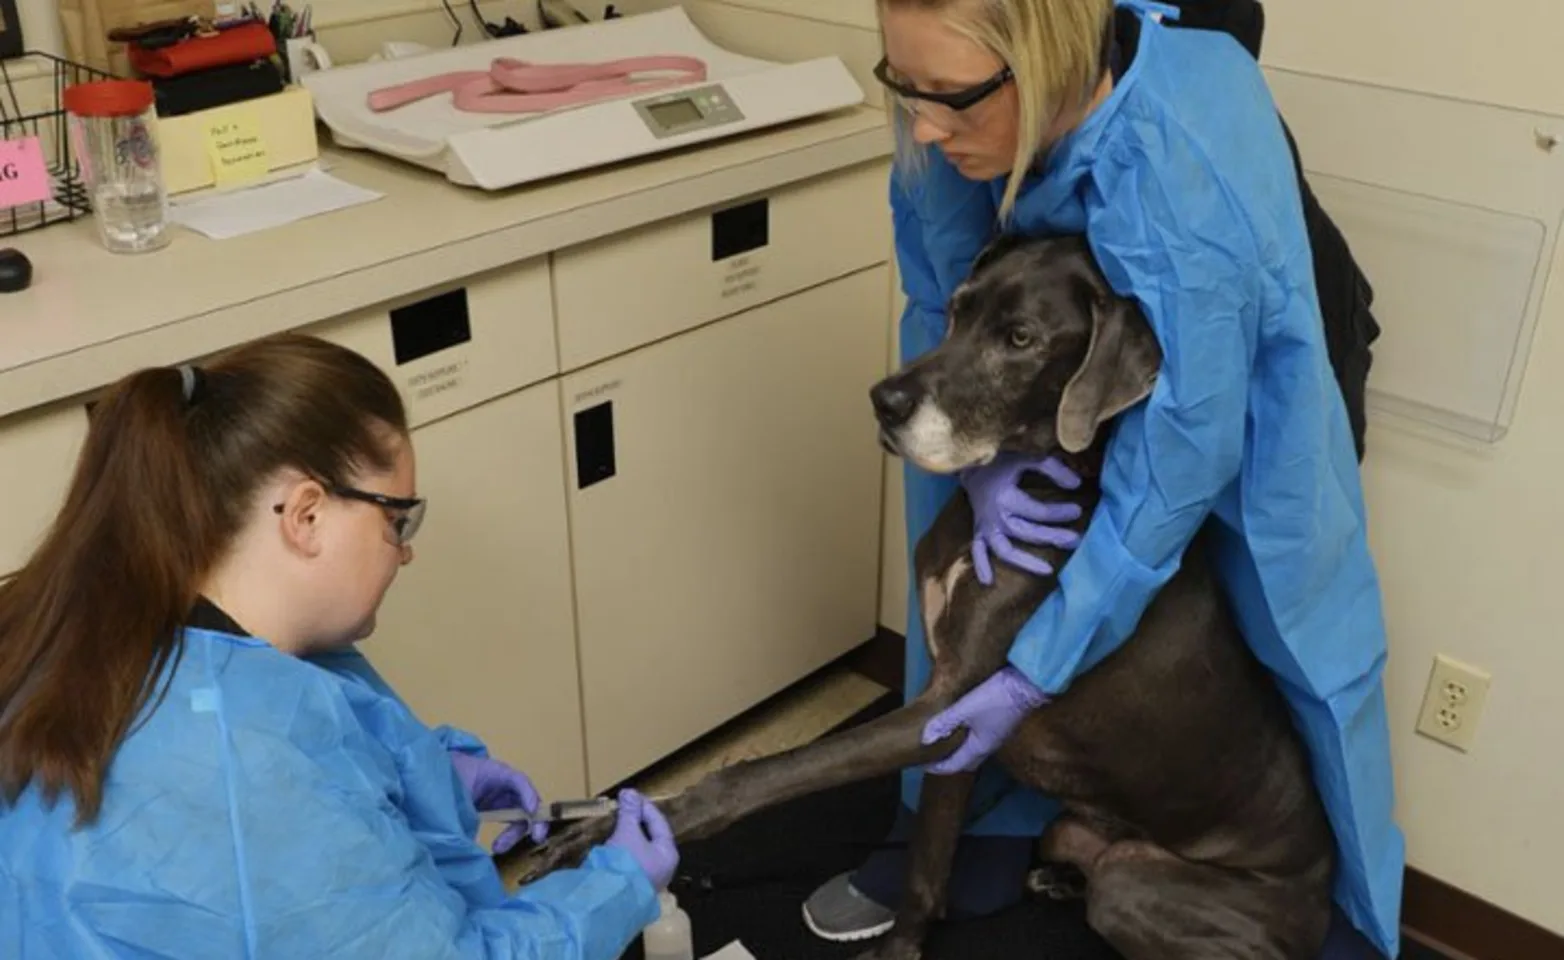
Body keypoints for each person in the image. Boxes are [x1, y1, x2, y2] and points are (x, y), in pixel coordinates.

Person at [801, 2, 1403, 958]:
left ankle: (1341, 930)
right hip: (1038, 339)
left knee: (1273, 622)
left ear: (1043, 64)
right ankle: (969, 835)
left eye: (949, 99)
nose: (921, 126)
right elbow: (942, 291)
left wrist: (1035, 676)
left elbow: (1177, 473)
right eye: (900, 85)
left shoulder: (1186, 171)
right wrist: (985, 455)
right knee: (973, 593)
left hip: (1237, 377)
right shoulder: (940, 99)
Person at [0, 333, 680, 958]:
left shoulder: (118, 621)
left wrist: (432, 774)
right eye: (398, 519)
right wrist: (616, 887)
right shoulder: (251, 780)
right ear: (306, 515)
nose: (405, 554)